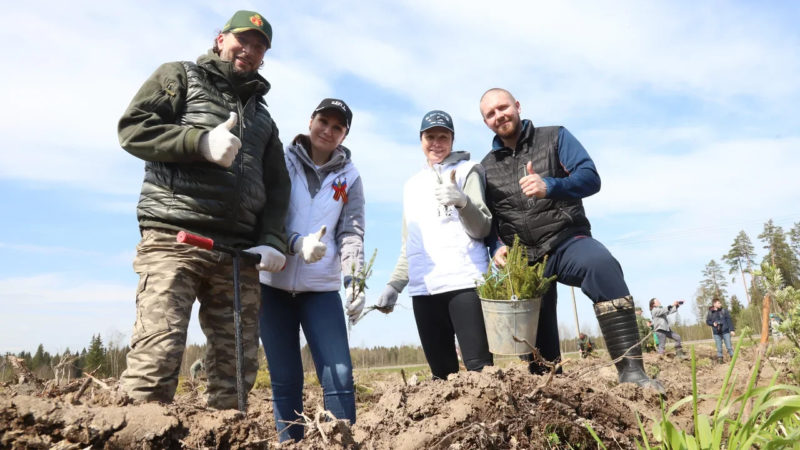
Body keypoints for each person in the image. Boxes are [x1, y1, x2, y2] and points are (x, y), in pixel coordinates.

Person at [117, 10, 290, 409]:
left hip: (236, 255)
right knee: (156, 361)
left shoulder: (263, 118)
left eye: (260, 46)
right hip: (174, 239)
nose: (249, 50)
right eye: (242, 40)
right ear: (220, 39)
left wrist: (272, 239)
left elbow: (278, 186)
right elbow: (133, 129)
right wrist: (198, 142)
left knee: (237, 375)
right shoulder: (178, 77)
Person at [478, 88, 662, 391]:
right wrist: (497, 247)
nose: (499, 116)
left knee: (602, 266)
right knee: (539, 347)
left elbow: (590, 177)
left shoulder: (555, 137)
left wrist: (549, 185)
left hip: (565, 241)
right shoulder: (485, 168)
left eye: (503, 107)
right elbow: (490, 222)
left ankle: (632, 373)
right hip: (525, 262)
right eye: (491, 114)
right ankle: (548, 389)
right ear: (486, 122)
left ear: (518, 106)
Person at [258, 98, 364, 442]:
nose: (328, 131)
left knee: (339, 372)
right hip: (273, 285)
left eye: (338, 127)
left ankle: (342, 441)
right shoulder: (281, 161)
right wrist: (294, 242)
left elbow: (351, 232)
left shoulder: (349, 177)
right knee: (285, 376)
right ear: (311, 121)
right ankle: (292, 442)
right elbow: (265, 213)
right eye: (324, 122)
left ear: (344, 134)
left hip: (320, 289)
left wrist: (354, 280)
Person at [375, 110, 494, 380]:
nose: (436, 143)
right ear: (421, 140)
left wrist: (463, 202)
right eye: (430, 137)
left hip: (465, 283)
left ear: (452, 140)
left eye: (443, 136)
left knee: (480, 371)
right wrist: (394, 285)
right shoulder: (412, 186)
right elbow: (410, 244)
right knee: (441, 375)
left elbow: (482, 227)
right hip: (424, 290)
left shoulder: (468, 171)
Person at [706, 298, 735, 363]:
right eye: (719, 303)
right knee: (719, 348)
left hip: (725, 331)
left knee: (729, 346)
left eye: (720, 303)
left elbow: (729, 320)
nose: (720, 304)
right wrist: (713, 324)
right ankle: (720, 360)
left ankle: (733, 358)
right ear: (714, 304)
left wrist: (732, 330)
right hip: (716, 333)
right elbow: (707, 321)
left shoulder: (724, 311)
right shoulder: (710, 312)